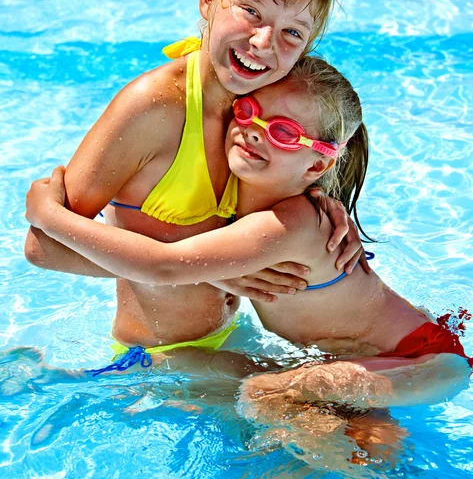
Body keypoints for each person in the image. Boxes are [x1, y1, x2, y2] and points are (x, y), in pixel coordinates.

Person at [25, 55, 472, 405]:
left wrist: (50, 215)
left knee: (265, 397)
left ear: (317, 164)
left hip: (424, 362)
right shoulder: (251, 197)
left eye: (281, 131)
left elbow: (164, 266)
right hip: (383, 354)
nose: (254, 132)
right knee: (337, 425)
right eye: (249, 111)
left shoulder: (289, 223)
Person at [24, 0, 367, 363]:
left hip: (231, 336)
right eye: (251, 11)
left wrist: (325, 204)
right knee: (315, 416)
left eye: (292, 33)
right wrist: (215, 277)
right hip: (159, 359)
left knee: (360, 417)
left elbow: (309, 158)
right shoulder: (154, 108)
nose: (263, 43)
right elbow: (44, 246)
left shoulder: (260, 108)